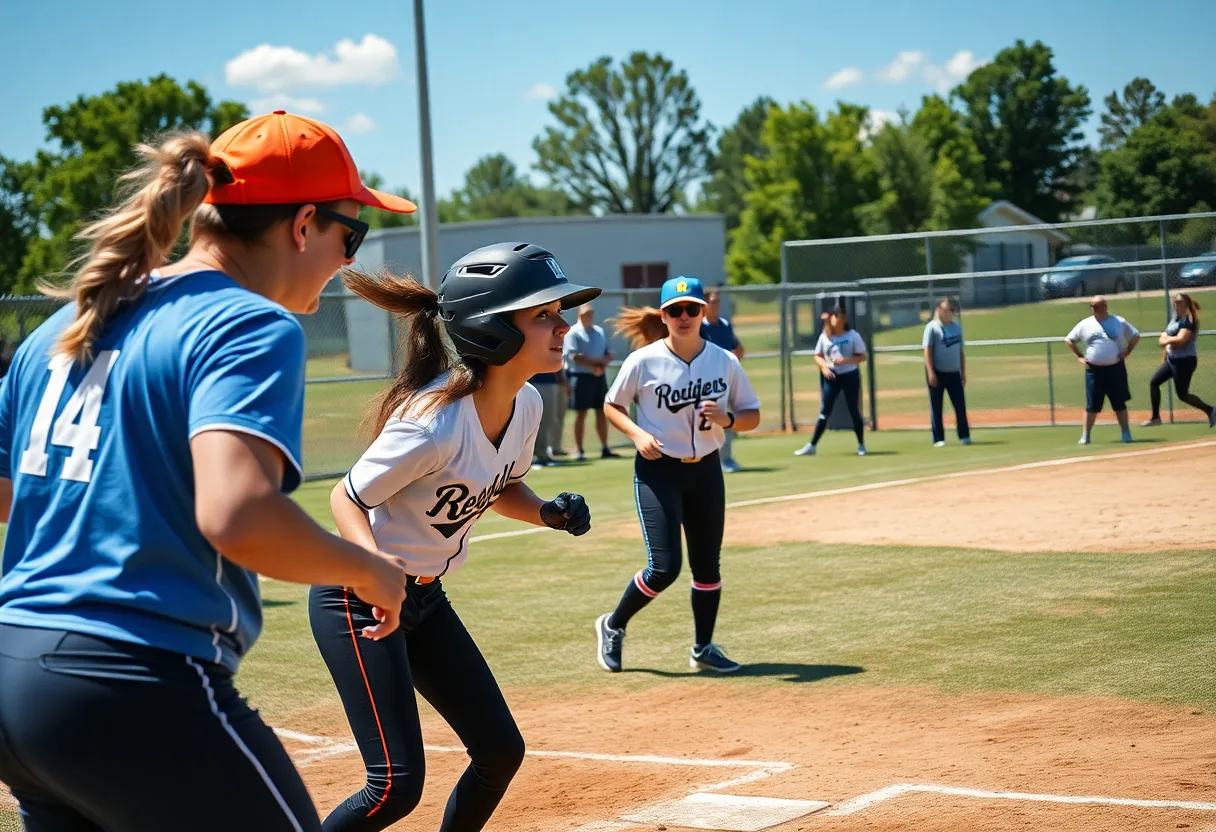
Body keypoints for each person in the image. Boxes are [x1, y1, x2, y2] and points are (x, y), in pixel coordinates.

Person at [0, 111, 416, 832]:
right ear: (302, 223)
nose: (348, 259)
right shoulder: (248, 323)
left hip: (13, 672)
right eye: (350, 236)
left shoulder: (69, 320)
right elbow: (238, 516)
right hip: (131, 682)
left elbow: (12, 496)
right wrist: (369, 570)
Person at [309, 243, 596, 832]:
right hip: (356, 598)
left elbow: (503, 487)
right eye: (544, 314)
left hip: (423, 597)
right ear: (491, 330)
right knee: (393, 787)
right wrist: (376, 576)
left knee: (499, 752)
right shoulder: (433, 421)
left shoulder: (526, 405)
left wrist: (548, 513)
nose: (563, 324)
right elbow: (347, 497)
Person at [594, 277, 761, 675]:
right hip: (658, 471)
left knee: (708, 567)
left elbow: (752, 414)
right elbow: (612, 405)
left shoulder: (724, 360)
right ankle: (613, 624)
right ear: (663, 316)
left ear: (704, 312)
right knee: (664, 568)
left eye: (691, 309)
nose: (683, 317)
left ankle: (703, 648)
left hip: (705, 470)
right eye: (675, 310)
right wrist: (637, 434)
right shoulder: (643, 360)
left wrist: (729, 419)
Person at [1065, 295, 1140, 444]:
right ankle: (1085, 435)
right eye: (1092, 306)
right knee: (1092, 405)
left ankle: (1126, 433)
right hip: (1094, 370)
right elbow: (1069, 339)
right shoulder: (1085, 324)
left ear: (1105, 306)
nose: (1095, 309)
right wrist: (1079, 356)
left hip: (1115, 368)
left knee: (1119, 403)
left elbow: (1135, 336)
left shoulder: (1118, 321)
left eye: (1098, 306)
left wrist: (1127, 351)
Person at [794, 305, 868, 457]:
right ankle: (812, 445)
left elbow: (862, 356)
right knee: (824, 411)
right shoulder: (825, 337)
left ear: (844, 318)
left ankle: (861, 445)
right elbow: (818, 356)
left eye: (838, 315)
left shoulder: (852, 335)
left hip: (850, 375)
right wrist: (824, 368)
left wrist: (845, 361)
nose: (835, 318)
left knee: (854, 410)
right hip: (831, 377)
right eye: (833, 315)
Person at [1142, 293, 1215, 428]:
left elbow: (1181, 340)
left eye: (1180, 302)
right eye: (1175, 302)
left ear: (1186, 304)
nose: (1177, 304)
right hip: (1172, 360)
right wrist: (1164, 356)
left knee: (1182, 395)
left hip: (1185, 361)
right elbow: (1165, 338)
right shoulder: (1175, 320)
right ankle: (1156, 418)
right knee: (1154, 382)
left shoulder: (1188, 320)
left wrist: (1166, 340)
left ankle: (1211, 410)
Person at [563, 303, 620, 460]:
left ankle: (605, 447)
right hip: (581, 377)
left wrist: (601, 367)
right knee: (581, 413)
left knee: (601, 411)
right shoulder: (573, 333)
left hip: (598, 377)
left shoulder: (599, 332)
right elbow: (574, 356)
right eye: (585, 314)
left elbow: (609, 353)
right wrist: (595, 364)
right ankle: (580, 450)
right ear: (579, 315)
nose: (588, 316)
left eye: (590, 313)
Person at [701, 285, 746, 472]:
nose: (716, 305)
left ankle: (726, 458)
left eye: (718, 302)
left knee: (727, 418)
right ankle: (710, 461)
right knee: (706, 422)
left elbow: (738, 348)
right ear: (704, 304)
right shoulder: (699, 327)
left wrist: (733, 359)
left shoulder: (724, 325)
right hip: (705, 382)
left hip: (726, 380)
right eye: (713, 302)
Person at [923, 299, 972, 447]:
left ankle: (964, 435)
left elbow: (960, 351)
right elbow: (928, 351)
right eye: (947, 309)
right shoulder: (932, 327)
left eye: (952, 310)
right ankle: (938, 438)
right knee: (936, 406)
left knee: (960, 405)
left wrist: (963, 371)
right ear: (939, 309)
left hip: (953, 372)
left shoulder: (957, 328)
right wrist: (931, 372)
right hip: (937, 372)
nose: (950, 312)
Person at [528, 369, 562, 466]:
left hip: (546, 382)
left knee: (548, 421)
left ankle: (541, 453)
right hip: (538, 382)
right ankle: (541, 455)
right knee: (543, 421)